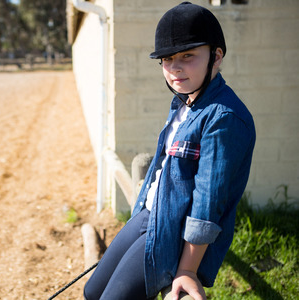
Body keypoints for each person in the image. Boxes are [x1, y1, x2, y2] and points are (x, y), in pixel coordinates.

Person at [83, 2, 256, 300]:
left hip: (172, 234)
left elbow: (208, 204)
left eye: (188, 56)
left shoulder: (224, 118)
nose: (175, 68)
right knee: (91, 290)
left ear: (216, 56)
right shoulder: (183, 101)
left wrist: (187, 270)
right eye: (167, 59)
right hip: (149, 214)